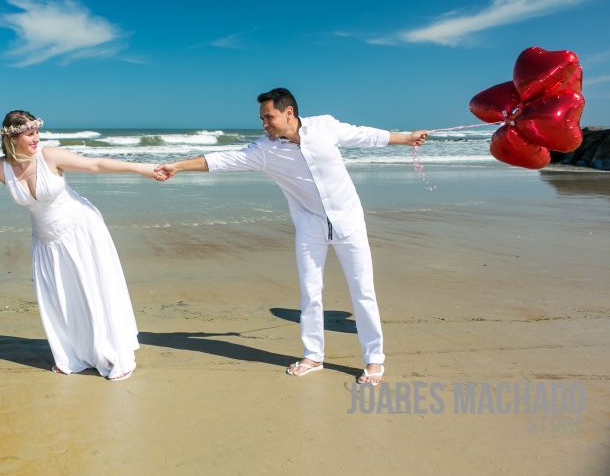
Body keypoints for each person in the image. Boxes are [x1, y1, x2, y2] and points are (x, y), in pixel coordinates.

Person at [155, 88, 428, 385]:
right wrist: (178, 166)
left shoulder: (324, 126)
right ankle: (313, 356)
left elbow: (365, 136)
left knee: (362, 290)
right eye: (262, 119)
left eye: (268, 117)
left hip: (349, 223)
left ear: (288, 113)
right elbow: (222, 159)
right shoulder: (264, 151)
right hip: (309, 227)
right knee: (310, 292)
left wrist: (406, 137)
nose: (264, 124)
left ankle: (374, 360)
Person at [0, 110, 159, 381]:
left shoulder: (49, 156)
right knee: (62, 299)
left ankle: (111, 353)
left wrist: (143, 169)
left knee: (90, 289)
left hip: (81, 230)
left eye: (36, 132)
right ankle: (75, 355)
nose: (36, 138)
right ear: (13, 137)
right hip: (47, 241)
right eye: (29, 134)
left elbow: (95, 165)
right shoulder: (1, 168)